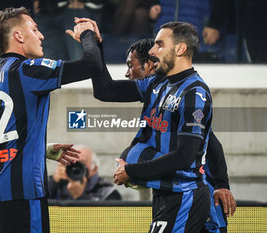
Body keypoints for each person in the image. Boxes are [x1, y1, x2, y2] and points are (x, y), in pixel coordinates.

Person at [81, 18, 217, 232]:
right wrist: (95, 44)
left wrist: (132, 171)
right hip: (164, 193)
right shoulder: (157, 83)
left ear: (180, 49)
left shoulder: (194, 93)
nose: (153, 51)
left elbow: (185, 156)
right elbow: (105, 90)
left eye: (159, 44)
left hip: (184, 195)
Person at [0, 7, 102, 233]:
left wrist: (41, 148)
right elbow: (92, 65)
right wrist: (87, 34)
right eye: (34, 29)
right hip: (23, 190)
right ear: (18, 36)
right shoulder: (28, 69)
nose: (41, 35)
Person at [125, 38, 236, 232]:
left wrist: (222, 184)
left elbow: (211, 144)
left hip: (196, 192)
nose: (127, 74)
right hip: (176, 194)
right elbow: (104, 90)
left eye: (130, 66)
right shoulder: (160, 95)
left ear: (150, 66)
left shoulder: (187, 93)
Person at [49, 145, 122, 201]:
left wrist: (80, 197)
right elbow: (41, 208)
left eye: (81, 163)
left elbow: (105, 219)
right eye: (71, 163)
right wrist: (54, 182)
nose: (74, 168)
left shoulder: (107, 192)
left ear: (94, 169)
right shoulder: (60, 184)